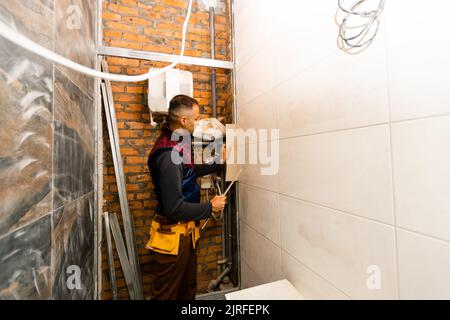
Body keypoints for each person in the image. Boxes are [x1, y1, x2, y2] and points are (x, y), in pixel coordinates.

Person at [146, 94, 227, 300]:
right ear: (184, 121)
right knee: (166, 295)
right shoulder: (167, 154)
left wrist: (218, 163)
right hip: (172, 236)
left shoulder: (178, 142)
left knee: (187, 290)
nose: (198, 123)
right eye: (196, 119)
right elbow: (174, 208)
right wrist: (210, 207)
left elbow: (189, 171)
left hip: (187, 233)